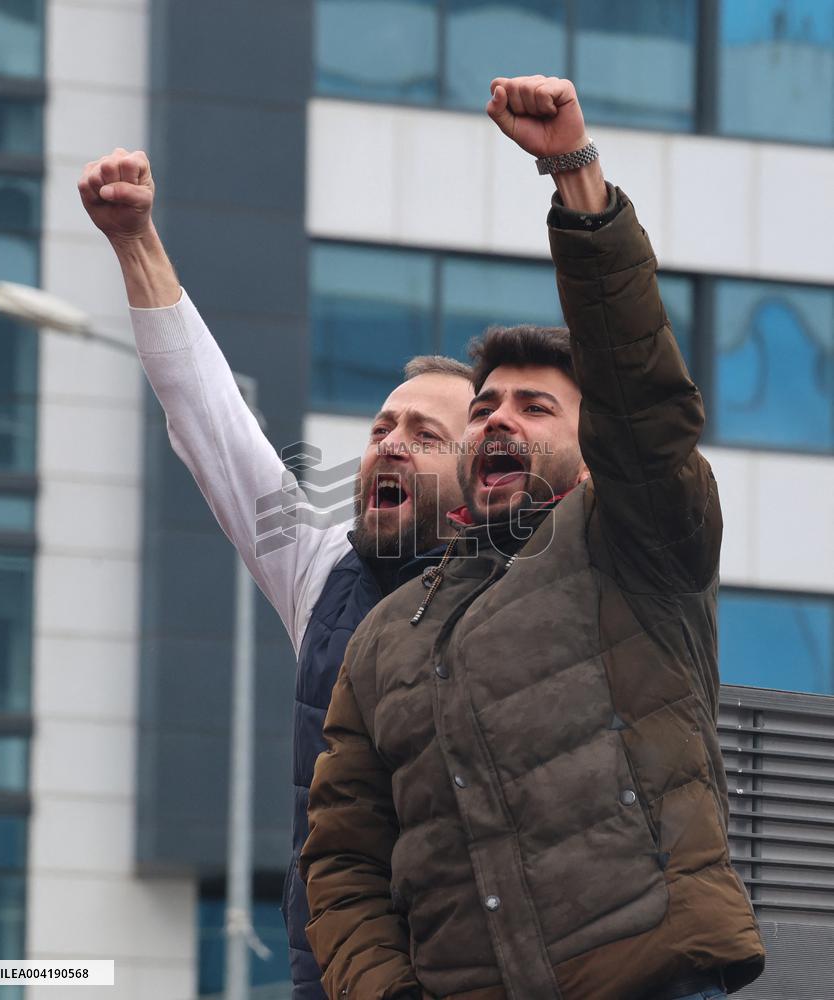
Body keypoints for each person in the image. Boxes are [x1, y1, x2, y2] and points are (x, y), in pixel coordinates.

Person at [300, 75, 766, 1000]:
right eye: (484, 407)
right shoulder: (386, 638)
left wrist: (575, 179)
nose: (499, 421)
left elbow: (642, 397)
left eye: (535, 405)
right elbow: (344, 861)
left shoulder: (634, 542)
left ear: (593, 447)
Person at [78, 152, 473, 999]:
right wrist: (135, 238)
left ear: (482, 491)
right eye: (382, 427)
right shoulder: (321, 565)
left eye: (425, 435)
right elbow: (207, 417)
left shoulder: (518, 604)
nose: (391, 442)